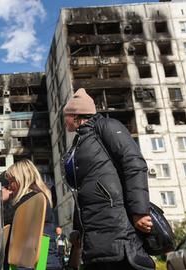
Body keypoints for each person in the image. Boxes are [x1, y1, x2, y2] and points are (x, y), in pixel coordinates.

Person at [62, 88, 154, 270]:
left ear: (75, 115)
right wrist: (78, 231)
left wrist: (139, 211)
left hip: (118, 229)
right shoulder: (79, 143)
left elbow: (133, 163)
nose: (64, 121)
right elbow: (81, 192)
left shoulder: (106, 127)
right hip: (94, 237)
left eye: (66, 116)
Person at [2, 159, 62, 270]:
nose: (9, 186)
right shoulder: (37, 196)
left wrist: (2, 200)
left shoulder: (31, 198)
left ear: (21, 179)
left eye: (11, 181)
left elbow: (6, 219)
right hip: (41, 262)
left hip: (39, 264)